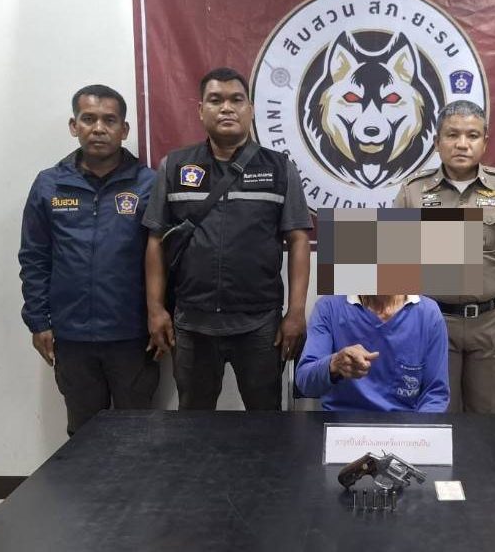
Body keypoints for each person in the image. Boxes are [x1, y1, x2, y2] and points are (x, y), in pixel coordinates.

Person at [142, 67, 311, 411]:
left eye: (236, 100)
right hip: (193, 323)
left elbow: (298, 241)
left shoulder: (280, 168)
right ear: (200, 110)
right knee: (194, 423)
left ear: (251, 109)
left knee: (265, 421)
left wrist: (295, 312)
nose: (227, 108)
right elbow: (156, 240)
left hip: (259, 325)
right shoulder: (174, 167)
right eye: (215, 100)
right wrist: (155, 309)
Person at [19, 84, 158, 436]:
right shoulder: (49, 185)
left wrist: (161, 317)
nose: (98, 128)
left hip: (132, 335)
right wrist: (38, 321)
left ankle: (135, 478)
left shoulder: (149, 184)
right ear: (74, 125)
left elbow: (166, 260)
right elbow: (34, 257)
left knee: (137, 434)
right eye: (88, 119)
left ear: (124, 129)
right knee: (83, 436)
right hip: (72, 335)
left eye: (109, 120)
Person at [393, 101, 495, 414]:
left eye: (472, 135)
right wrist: (398, 326)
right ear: (436, 142)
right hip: (434, 321)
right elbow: (392, 267)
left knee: (486, 419)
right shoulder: (412, 191)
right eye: (452, 135)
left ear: (485, 142)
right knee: (436, 415)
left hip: (491, 323)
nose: (461, 144)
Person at [295, 295, 449, 412]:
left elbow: (435, 394)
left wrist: (418, 436)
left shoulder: (428, 314)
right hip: (343, 428)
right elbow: (304, 381)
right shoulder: (329, 308)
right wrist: (334, 365)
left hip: (404, 430)